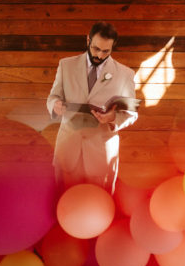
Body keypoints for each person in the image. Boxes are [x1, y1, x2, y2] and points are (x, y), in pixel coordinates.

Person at [47, 22, 138, 193]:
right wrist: (55, 105)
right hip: (68, 148)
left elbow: (131, 113)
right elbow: (53, 96)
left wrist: (112, 117)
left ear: (113, 47)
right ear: (88, 39)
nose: (100, 55)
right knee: (64, 201)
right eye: (96, 48)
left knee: (100, 204)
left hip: (101, 153)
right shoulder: (66, 65)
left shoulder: (125, 74)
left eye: (106, 51)